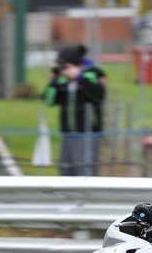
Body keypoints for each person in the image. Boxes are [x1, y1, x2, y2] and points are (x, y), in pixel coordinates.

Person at [44, 45, 107, 176]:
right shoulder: (63, 80)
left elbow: (99, 95)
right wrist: (54, 80)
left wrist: (79, 78)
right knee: (66, 172)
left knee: (85, 173)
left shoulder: (92, 74)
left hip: (87, 134)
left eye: (65, 66)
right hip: (68, 135)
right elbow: (49, 101)